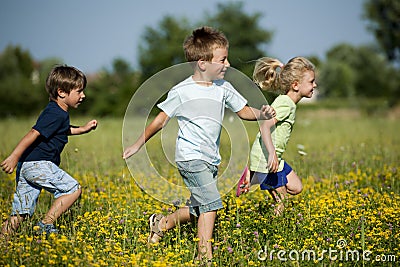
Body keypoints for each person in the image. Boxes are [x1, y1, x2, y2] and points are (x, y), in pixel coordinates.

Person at [123, 26, 275, 263]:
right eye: (222, 60)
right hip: (190, 157)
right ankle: (204, 257)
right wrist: (137, 144)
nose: (228, 64)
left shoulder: (223, 87)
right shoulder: (182, 91)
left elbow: (244, 111)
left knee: (199, 209)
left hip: (211, 159)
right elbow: (161, 120)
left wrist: (262, 114)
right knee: (212, 205)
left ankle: (161, 224)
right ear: (203, 63)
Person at [1, 65, 97, 237]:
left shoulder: (57, 113)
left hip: (27, 165)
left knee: (21, 211)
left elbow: (63, 130)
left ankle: (3, 240)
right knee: (73, 189)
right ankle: (46, 224)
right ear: (62, 92)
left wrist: (83, 129)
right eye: (79, 91)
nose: (83, 96)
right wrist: (14, 156)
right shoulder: (56, 114)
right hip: (38, 164)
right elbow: (33, 133)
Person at [237, 56, 317, 216]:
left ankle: (250, 177)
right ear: (295, 85)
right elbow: (264, 125)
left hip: (275, 157)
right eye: (311, 81)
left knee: (296, 187)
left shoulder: (289, 104)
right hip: (267, 157)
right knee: (282, 201)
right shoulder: (285, 103)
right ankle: (274, 229)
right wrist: (272, 153)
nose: (315, 85)